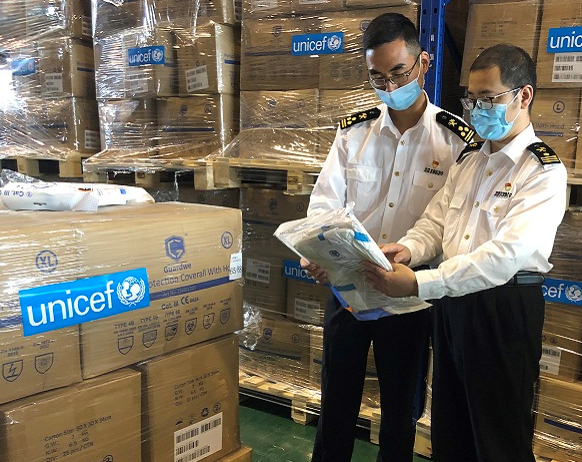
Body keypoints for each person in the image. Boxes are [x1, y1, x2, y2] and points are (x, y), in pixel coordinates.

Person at [363, 44, 567, 462]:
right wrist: (408, 249)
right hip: (453, 305)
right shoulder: (470, 160)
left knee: (497, 439)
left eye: (488, 99)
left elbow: (504, 256)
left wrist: (420, 283)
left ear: (523, 96)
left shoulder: (542, 172)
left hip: (503, 308)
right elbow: (436, 223)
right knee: (450, 429)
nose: (476, 110)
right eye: (471, 100)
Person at [302, 12, 474, 462]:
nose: (390, 84)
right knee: (335, 401)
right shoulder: (353, 132)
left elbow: (451, 225)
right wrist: (317, 250)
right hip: (347, 288)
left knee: (401, 408)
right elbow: (325, 202)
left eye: (399, 72)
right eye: (377, 77)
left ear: (424, 63)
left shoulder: (455, 142)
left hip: (408, 296)